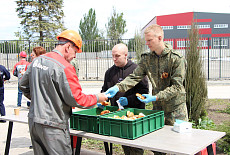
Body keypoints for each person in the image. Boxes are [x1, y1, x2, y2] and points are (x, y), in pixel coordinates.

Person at [19, 30, 108, 155]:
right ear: (67, 47)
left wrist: (40, 99)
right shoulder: (65, 67)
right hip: (53, 126)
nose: (75, 56)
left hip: (34, 122)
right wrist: (98, 97)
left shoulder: (37, 61)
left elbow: (23, 85)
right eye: (75, 52)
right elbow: (77, 99)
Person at [106, 24, 188, 155]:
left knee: (180, 146)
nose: (146, 43)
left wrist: (155, 97)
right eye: (146, 40)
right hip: (158, 109)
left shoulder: (176, 59)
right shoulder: (147, 58)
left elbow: (177, 87)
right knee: (158, 146)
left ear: (160, 38)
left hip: (175, 110)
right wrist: (117, 87)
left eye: (149, 40)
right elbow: (134, 76)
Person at [99, 43, 149, 155]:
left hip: (135, 114)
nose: (114, 59)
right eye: (112, 56)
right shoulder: (110, 72)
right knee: (125, 145)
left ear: (126, 55)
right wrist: (103, 100)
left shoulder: (136, 70)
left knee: (136, 147)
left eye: (117, 56)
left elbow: (144, 93)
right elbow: (105, 90)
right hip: (119, 115)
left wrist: (129, 100)